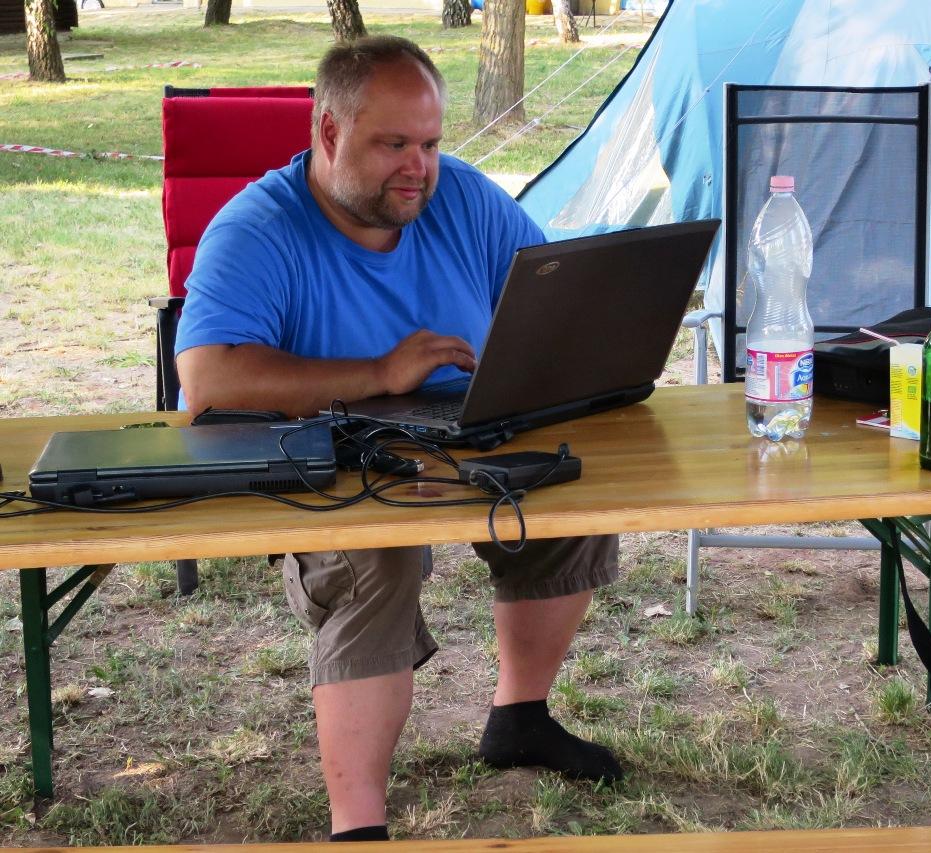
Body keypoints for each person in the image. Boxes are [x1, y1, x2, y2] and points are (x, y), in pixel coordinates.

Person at [174, 36, 623, 841]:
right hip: (324, 454)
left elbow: (557, 292)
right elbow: (209, 378)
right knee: (376, 562)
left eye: (431, 144)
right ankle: (359, 826)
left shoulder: (465, 201)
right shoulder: (258, 228)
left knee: (571, 503)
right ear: (329, 132)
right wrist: (380, 373)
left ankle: (519, 718)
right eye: (394, 145)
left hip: (465, 431)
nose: (419, 168)